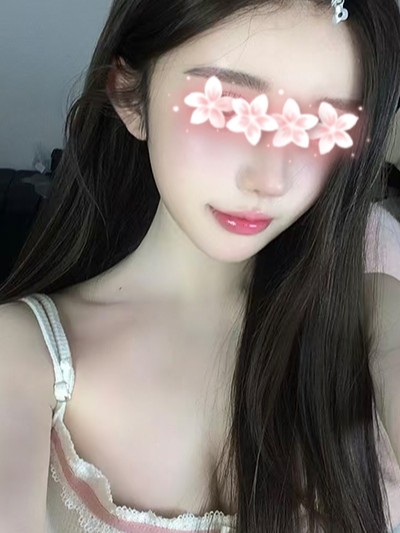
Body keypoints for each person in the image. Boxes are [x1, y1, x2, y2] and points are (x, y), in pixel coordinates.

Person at [0, 0, 400, 531]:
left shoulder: (370, 315)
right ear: (129, 95)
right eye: (228, 111)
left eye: (320, 127)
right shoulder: (26, 354)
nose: (271, 179)